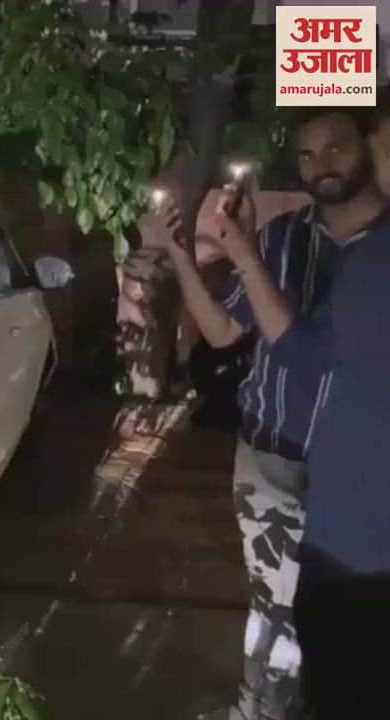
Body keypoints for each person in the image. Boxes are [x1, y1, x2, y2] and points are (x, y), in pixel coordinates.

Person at [137, 107, 385, 720]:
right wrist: (178, 251)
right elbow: (223, 330)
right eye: (304, 155)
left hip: (358, 483)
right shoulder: (282, 238)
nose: (319, 166)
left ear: (369, 150)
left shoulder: (379, 257)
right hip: (270, 458)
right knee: (272, 612)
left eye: (335, 148)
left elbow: (310, 355)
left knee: (343, 625)